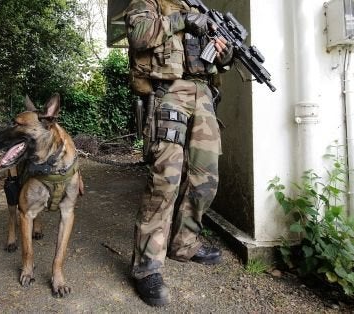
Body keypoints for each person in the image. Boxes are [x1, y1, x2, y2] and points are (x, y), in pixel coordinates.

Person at [124, 0, 234, 306]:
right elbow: (140, 35)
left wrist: (225, 54)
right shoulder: (149, 3)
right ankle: (147, 266)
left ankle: (185, 243)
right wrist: (184, 19)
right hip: (168, 92)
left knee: (205, 179)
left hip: (204, 94)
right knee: (165, 181)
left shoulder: (202, 9)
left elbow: (216, 59)